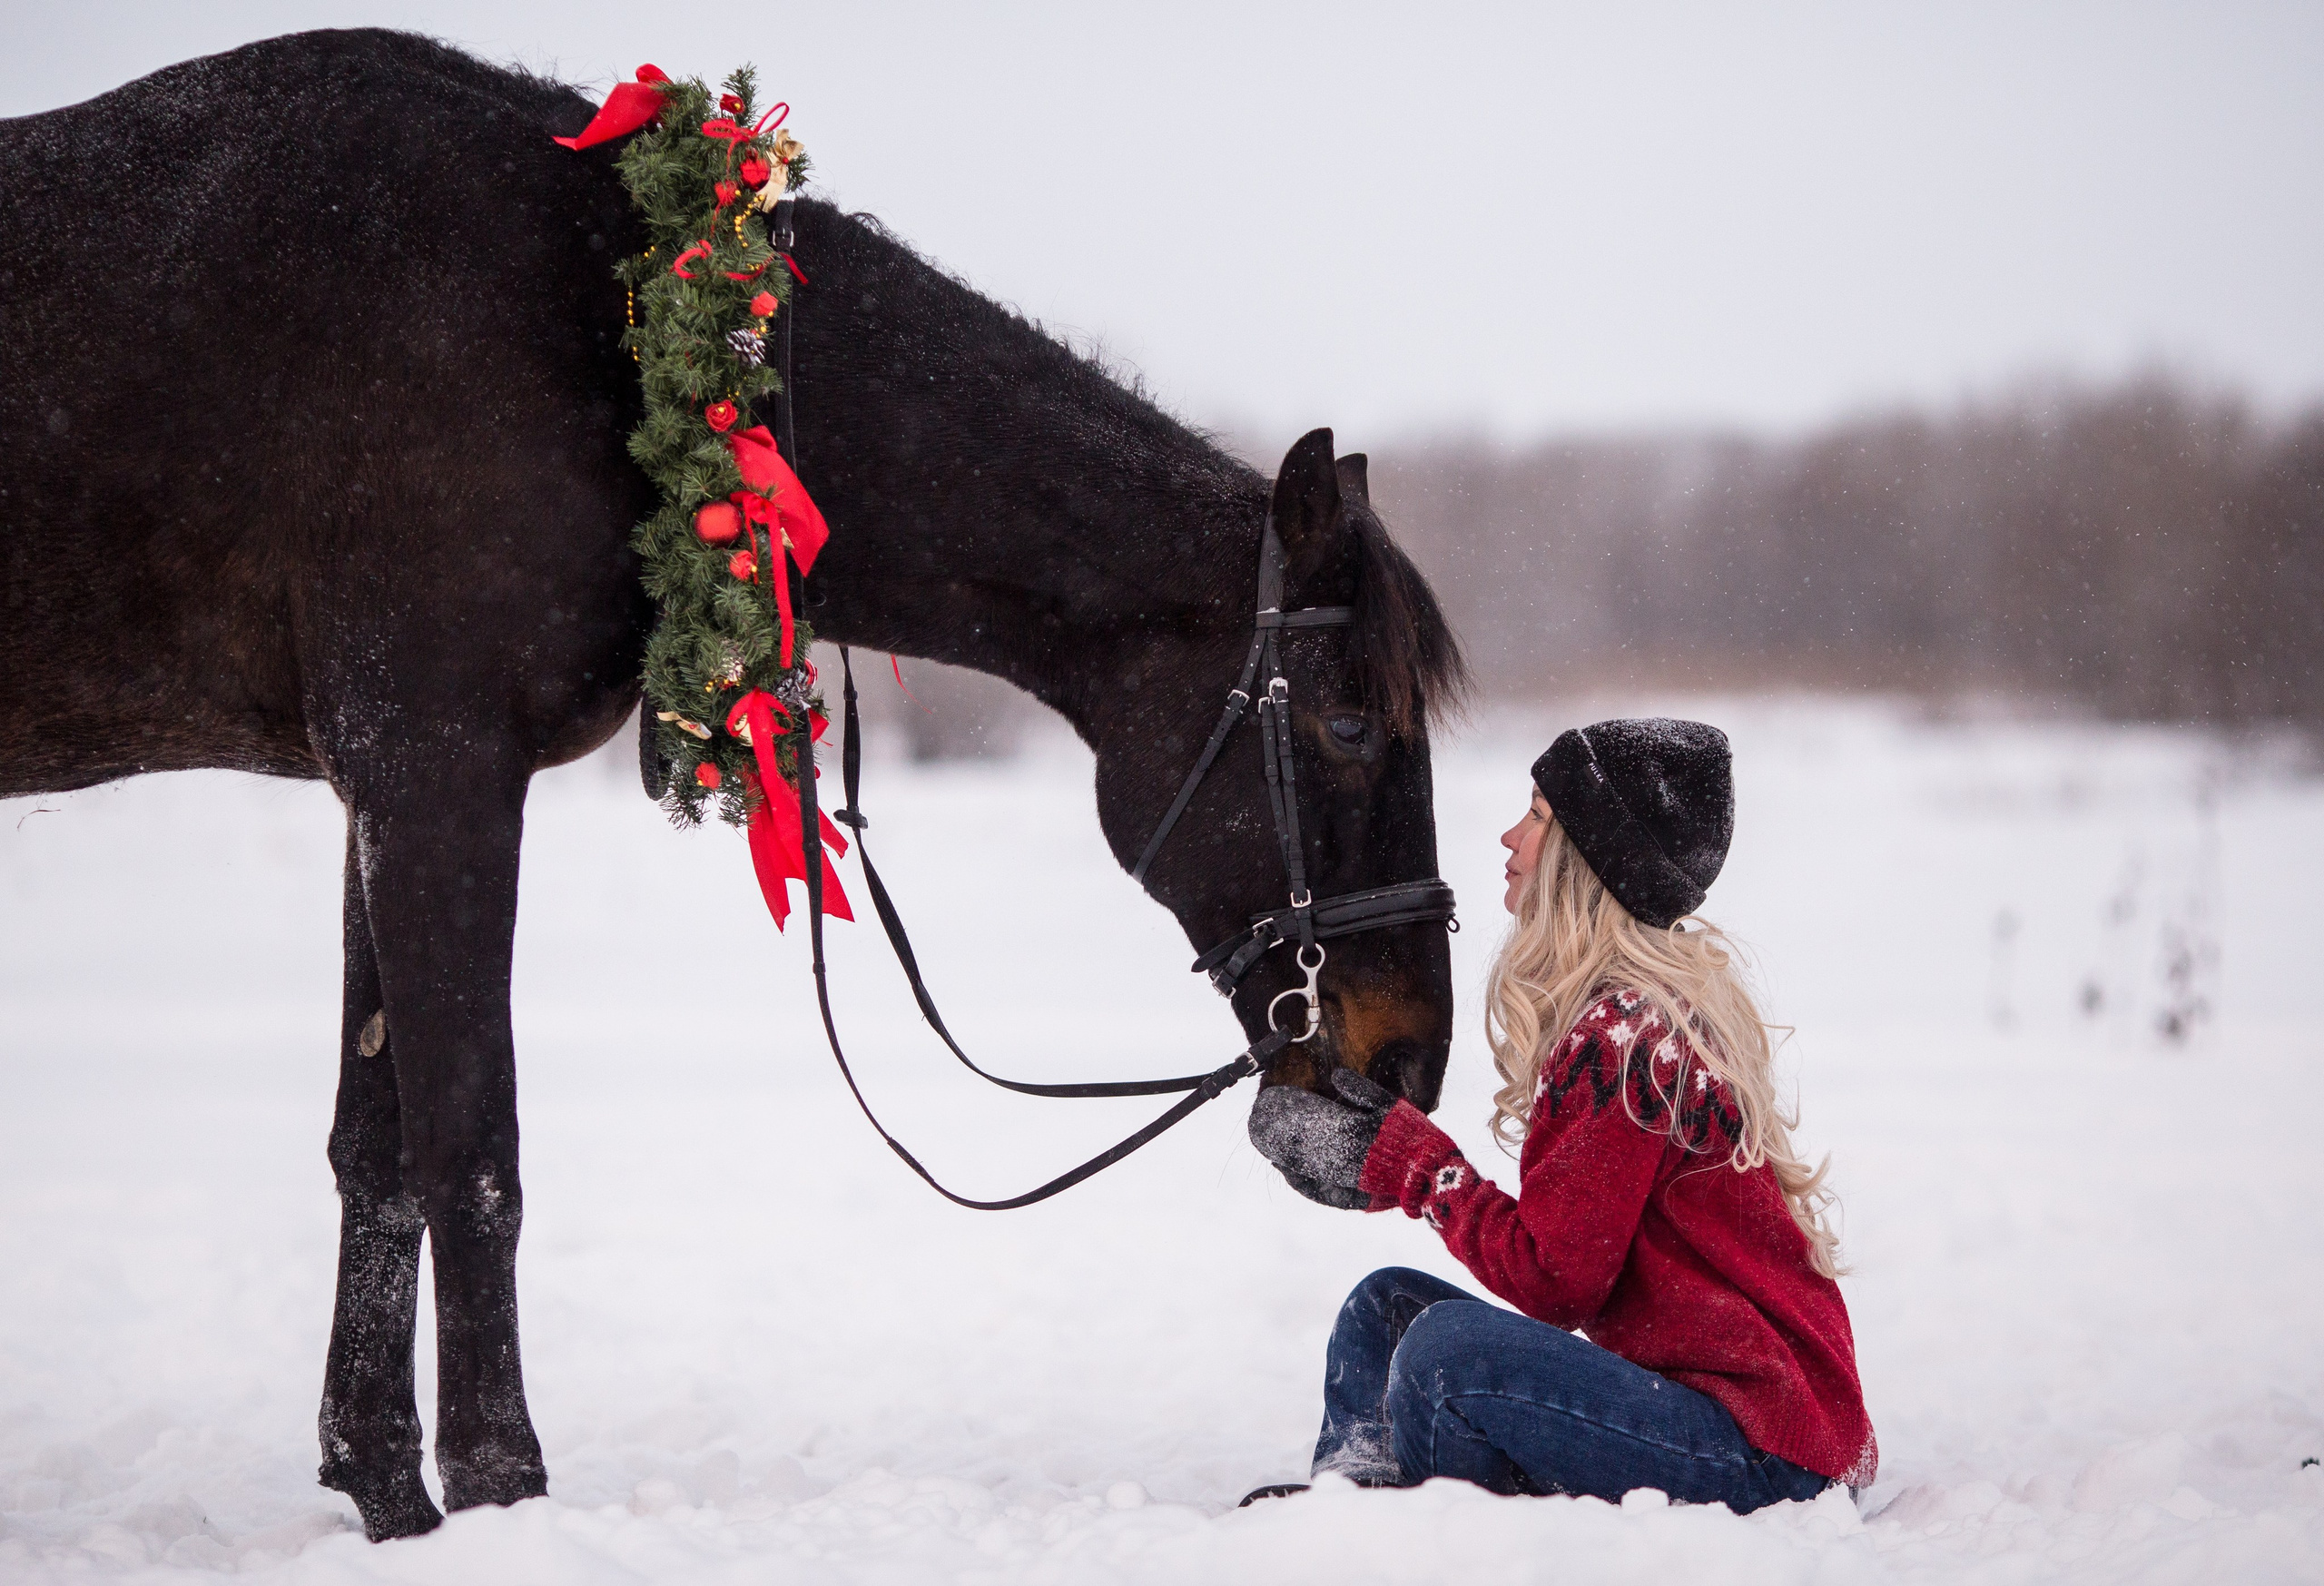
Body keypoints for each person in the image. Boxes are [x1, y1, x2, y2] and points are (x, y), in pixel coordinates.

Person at [1246, 718, 1875, 1510]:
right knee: (1388, 1307)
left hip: (1764, 1451)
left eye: (1538, 814)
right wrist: (1383, 1160)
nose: (1510, 836)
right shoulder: (1633, 1020)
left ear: (1587, 857)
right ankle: (1357, 1505)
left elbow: (1557, 1281)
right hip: (1716, 1414)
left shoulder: (1626, 1041)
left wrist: (1415, 1168)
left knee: (1444, 1355)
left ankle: (1410, 1510)